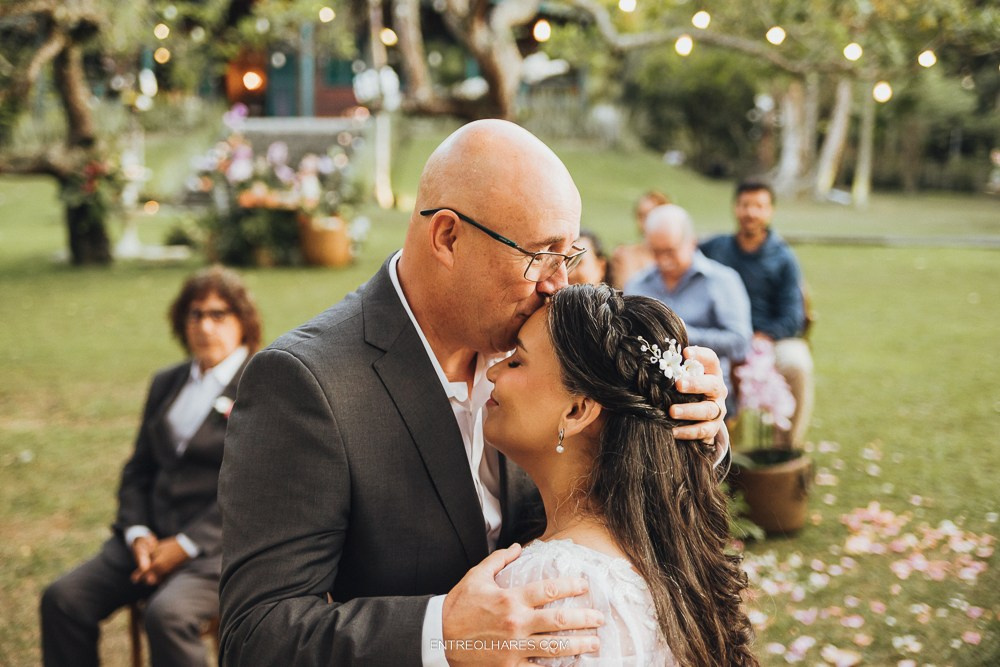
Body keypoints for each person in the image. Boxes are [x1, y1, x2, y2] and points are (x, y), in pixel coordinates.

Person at [218, 119, 730, 666]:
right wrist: (440, 633)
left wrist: (690, 423)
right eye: (540, 254)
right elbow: (256, 635)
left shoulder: (543, 356)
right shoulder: (306, 384)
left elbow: (610, 488)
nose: (557, 283)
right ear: (448, 237)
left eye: (569, 254)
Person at [490, 284, 757, 666]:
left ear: (577, 410)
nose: (494, 370)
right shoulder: (664, 553)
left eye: (517, 360)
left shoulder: (550, 586)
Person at [40, 266, 262, 667]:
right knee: (63, 599)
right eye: (195, 314)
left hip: (218, 550)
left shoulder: (262, 385)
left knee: (167, 615)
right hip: (147, 541)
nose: (205, 326)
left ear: (243, 321)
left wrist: (185, 545)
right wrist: (138, 532)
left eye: (218, 314)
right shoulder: (167, 382)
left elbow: (258, 489)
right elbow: (139, 469)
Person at [700, 178, 814, 446]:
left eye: (759, 206)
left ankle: (785, 448)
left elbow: (792, 316)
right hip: (721, 336)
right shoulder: (715, 248)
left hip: (767, 339)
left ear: (770, 211)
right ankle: (713, 451)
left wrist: (762, 338)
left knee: (798, 364)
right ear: (735, 208)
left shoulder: (784, 258)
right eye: (745, 205)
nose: (751, 212)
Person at [625, 204, 751, 416]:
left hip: (707, 388)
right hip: (645, 389)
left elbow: (740, 342)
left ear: (691, 241)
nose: (664, 260)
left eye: (670, 251)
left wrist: (681, 333)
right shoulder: (638, 284)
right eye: (656, 252)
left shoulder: (722, 280)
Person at [610, 189, 670, 289]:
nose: (642, 223)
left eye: (649, 215)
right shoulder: (624, 255)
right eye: (640, 215)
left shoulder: (676, 258)